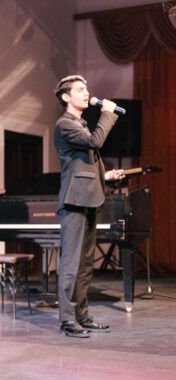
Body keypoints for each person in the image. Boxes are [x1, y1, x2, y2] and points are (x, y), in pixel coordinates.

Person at [53, 75, 123, 338]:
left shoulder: (80, 125)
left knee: (85, 263)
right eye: (80, 90)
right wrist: (108, 114)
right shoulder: (65, 124)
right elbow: (95, 141)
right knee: (70, 263)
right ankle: (67, 319)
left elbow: (81, 165)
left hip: (90, 197)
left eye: (86, 89)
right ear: (66, 97)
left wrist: (105, 176)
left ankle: (81, 315)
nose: (86, 93)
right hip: (74, 200)